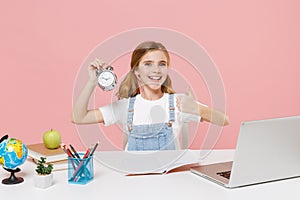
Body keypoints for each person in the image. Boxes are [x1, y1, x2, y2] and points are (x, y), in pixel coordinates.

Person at [71, 41, 229, 150]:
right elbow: (79, 117)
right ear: (137, 72)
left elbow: (224, 120)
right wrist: (92, 82)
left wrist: (196, 109)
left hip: (170, 181)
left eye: (162, 64)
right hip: (133, 182)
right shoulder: (125, 107)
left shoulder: (178, 102)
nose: (156, 70)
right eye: (148, 64)